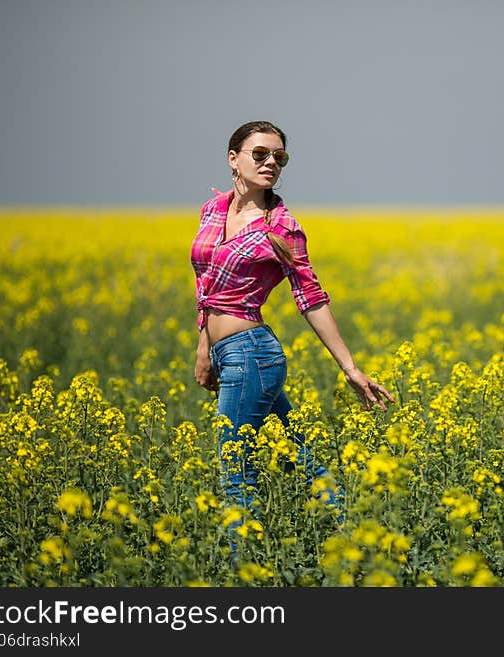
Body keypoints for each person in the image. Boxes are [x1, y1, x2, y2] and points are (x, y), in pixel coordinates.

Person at [191, 120, 393, 555]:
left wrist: (350, 368)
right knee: (295, 454)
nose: (271, 164)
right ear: (234, 158)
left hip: (252, 355)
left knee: (235, 467)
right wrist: (204, 347)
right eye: (260, 154)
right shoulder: (212, 211)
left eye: (279, 158)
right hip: (228, 353)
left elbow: (311, 297)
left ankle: (244, 567)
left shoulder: (281, 226)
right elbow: (206, 286)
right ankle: (354, 536)